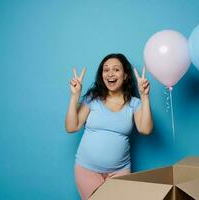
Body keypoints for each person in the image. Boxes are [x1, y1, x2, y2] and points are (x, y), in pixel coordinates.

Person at [65, 53, 153, 200]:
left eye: (116, 69)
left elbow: (146, 129)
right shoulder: (92, 99)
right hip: (87, 171)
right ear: (102, 75)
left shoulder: (135, 103)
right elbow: (71, 127)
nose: (110, 73)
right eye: (106, 70)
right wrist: (75, 96)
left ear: (125, 76)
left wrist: (145, 97)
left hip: (120, 172)